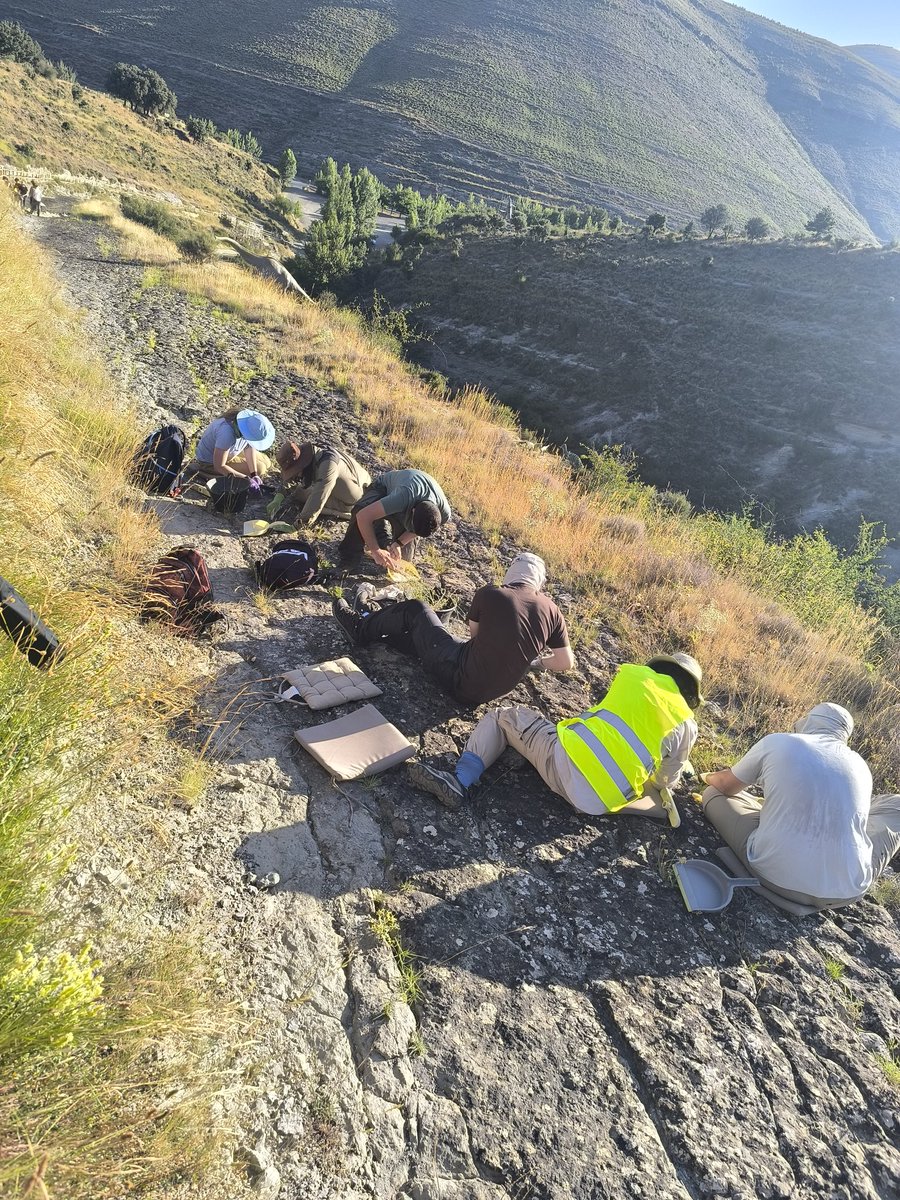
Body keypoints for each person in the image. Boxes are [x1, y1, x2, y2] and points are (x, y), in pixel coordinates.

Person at [408, 653, 703, 824]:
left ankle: (459, 782)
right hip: (597, 805)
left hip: (562, 763)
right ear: (690, 694)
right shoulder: (687, 725)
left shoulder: (632, 676)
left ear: (660, 669)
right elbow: (665, 782)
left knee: (503, 716)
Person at [700, 703, 900, 910]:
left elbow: (725, 786)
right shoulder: (860, 766)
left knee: (713, 793)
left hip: (775, 876)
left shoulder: (778, 742)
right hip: (846, 893)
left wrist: (708, 777)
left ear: (809, 720)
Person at [331, 551, 574, 706]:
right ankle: (380, 629)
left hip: (459, 678)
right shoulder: (553, 611)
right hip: (486, 694)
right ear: (539, 583)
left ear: (511, 574)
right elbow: (565, 662)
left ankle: (359, 627)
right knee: (426, 636)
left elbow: (475, 637)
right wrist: (535, 663)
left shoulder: (493, 593)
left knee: (416, 609)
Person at [337, 467, 450, 570]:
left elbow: (417, 531)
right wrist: (375, 551)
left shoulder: (443, 514)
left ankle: (382, 538)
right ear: (413, 511)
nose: (413, 531)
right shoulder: (402, 497)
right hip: (384, 489)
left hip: (409, 503)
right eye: (412, 527)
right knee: (362, 511)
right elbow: (363, 516)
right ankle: (349, 557)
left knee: (402, 562)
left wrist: (398, 543)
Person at [273, 441, 371, 524]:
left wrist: (300, 522)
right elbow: (293, 480)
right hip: (360, 479)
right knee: (300, 491)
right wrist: (280, 495)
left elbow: (319, 495)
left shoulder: (328, 465)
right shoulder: (314, 453)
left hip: (355, 501)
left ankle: (345, 514)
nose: (295, 475)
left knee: (301, 494)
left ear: (302, 464)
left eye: (295, 471)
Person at [186, 408, 275, 481]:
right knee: (261, 468)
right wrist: (246, 478)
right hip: (211, 462)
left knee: (266, 462)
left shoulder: (245, 425)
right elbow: (219, 466)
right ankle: (201, 470)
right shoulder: (226, 433)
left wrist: (254, 474)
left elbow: (248, 447)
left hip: (230, 452)